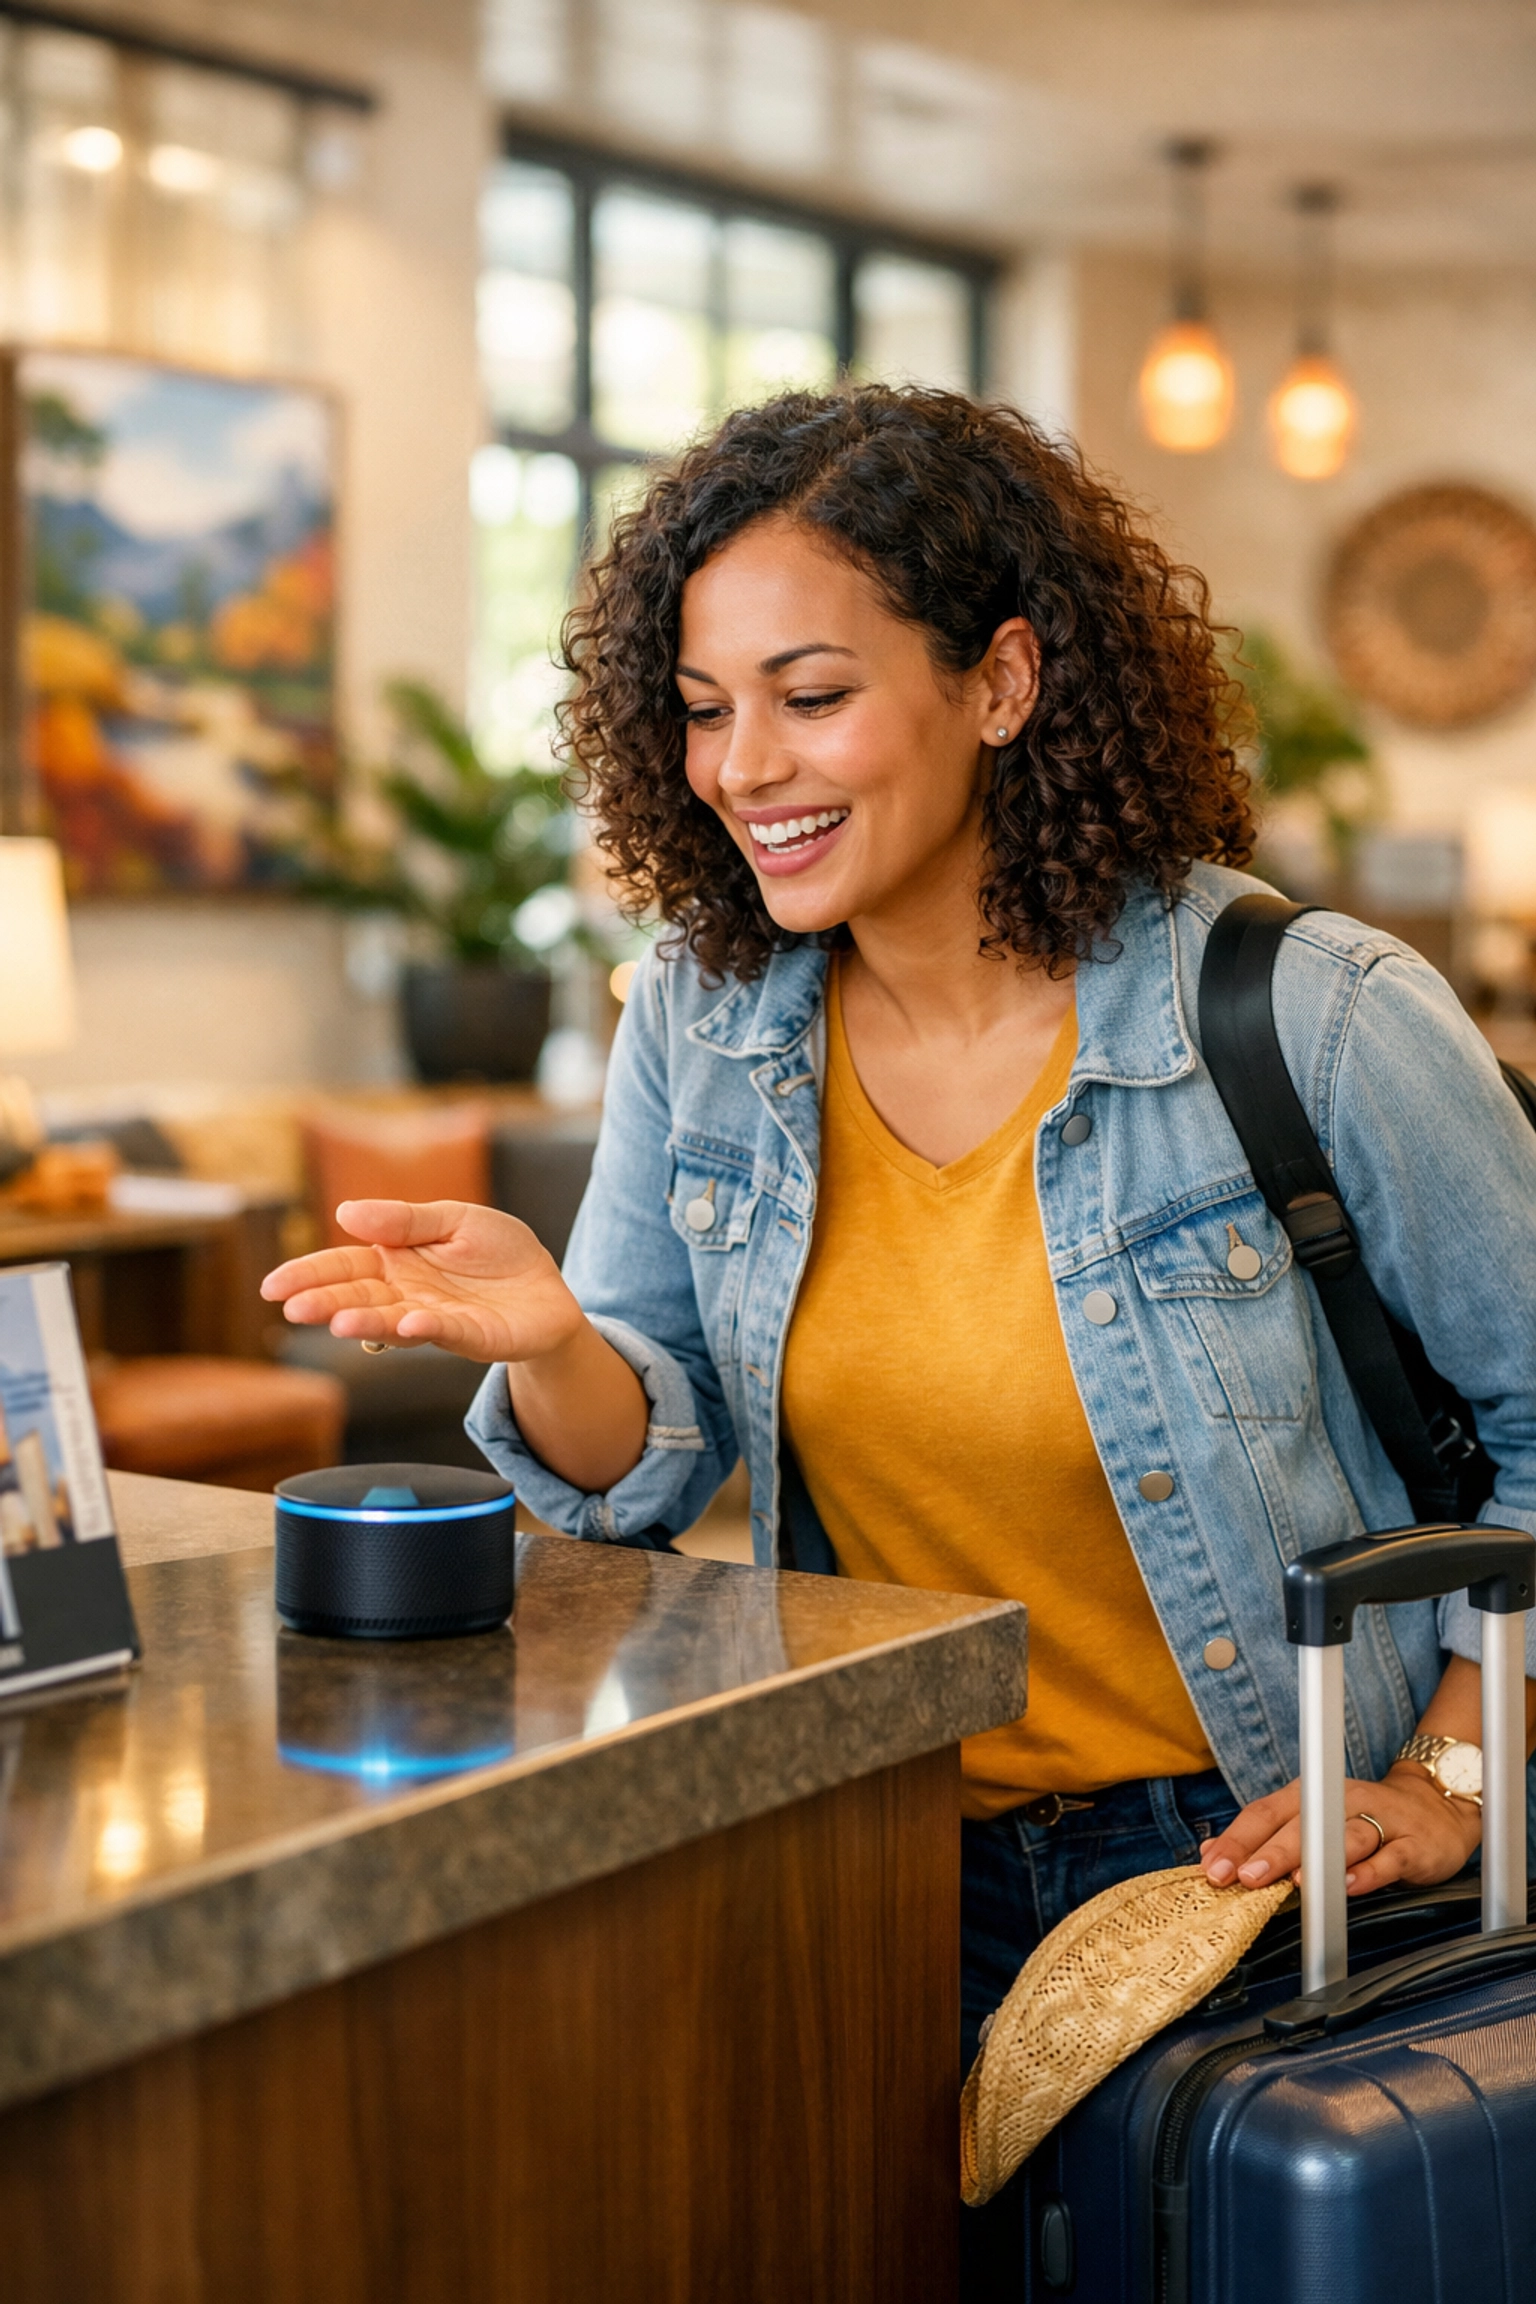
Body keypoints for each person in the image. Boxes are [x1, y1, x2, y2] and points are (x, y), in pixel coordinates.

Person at [263, 380, 1536, 2102]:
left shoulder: (1308, 1013)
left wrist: (1448, 1790)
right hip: (860, 1829)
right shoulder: (707, 1019)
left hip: (1241, 1865)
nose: (743, 768)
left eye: (812, 696)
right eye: (706, 710)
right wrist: (555, 1342)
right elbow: (643, 1461)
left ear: (1003, 681)